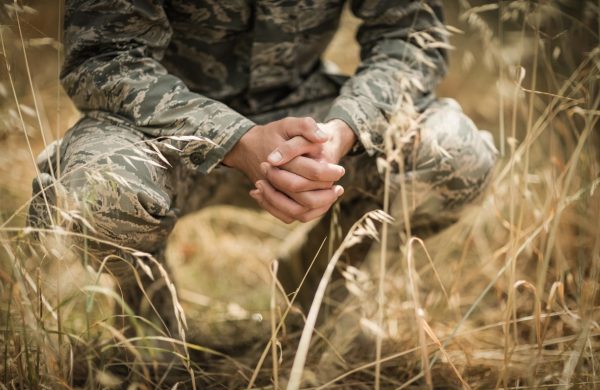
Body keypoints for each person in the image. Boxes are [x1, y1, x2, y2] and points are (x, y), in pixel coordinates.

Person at [28, 0, 497, 342]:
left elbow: (410, 35)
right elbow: (103, 57)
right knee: (98, 193)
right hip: (161, 125)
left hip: (309, 119)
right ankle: (148, 324)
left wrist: (344, 129)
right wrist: (235, 138)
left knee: (456, 156)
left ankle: (320, 279)